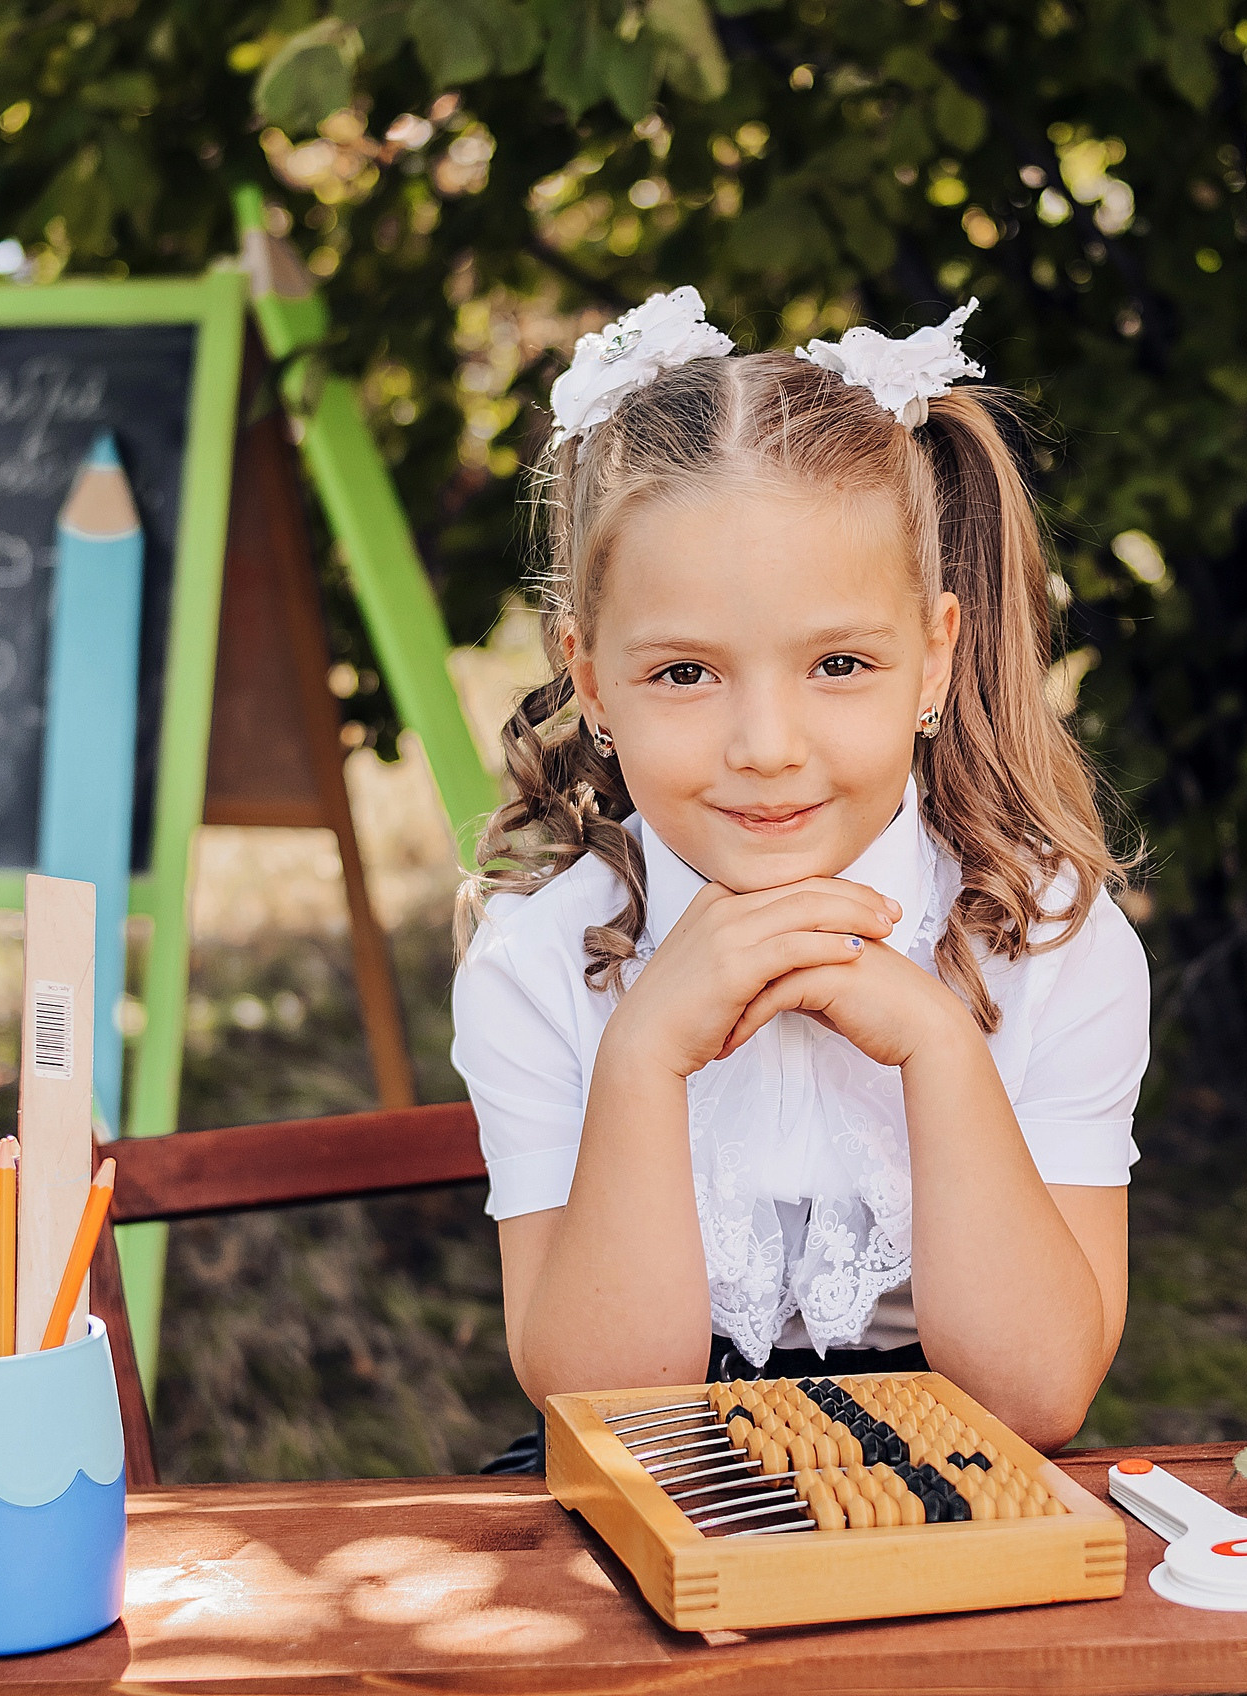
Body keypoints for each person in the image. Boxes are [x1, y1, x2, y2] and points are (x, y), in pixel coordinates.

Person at [451, 287, 1149, 1460]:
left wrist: (937, 1047)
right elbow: (606, 1407)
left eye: (837, 662)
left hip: (957, 1476)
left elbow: (1037, 1400)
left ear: (933, 657)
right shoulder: (536, 964)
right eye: (685, 673)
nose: (765, 743)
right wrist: (645, 1053)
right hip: (644, 1473)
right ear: (590, 674)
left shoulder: (1048, 939)